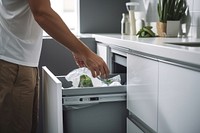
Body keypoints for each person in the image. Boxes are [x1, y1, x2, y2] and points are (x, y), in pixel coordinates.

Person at [0, 0, 110, 133]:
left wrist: (76, 49)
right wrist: (86, 53)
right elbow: (42, 13)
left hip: (18, 61)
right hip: (13, 63)